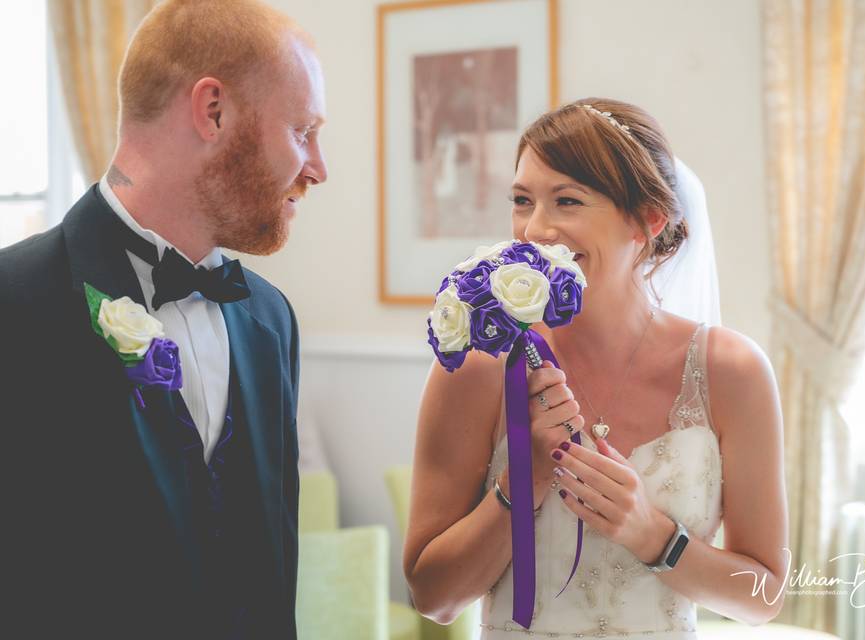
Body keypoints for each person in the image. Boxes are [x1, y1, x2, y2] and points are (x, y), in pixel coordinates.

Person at [0, 1, 326, 637]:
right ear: (213, 111)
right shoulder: (14, 300)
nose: (317, 167)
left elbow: (272, 565)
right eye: (301, 131)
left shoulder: (270, 319)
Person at [404, 98, 788, 638]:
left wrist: (653, 534)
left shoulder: (732, 372)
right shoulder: (479, 366)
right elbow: (432, 596)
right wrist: (526, 478)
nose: (535, 230)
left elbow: (764, 596)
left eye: (567, 201)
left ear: (648, 221)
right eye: (522, 200)